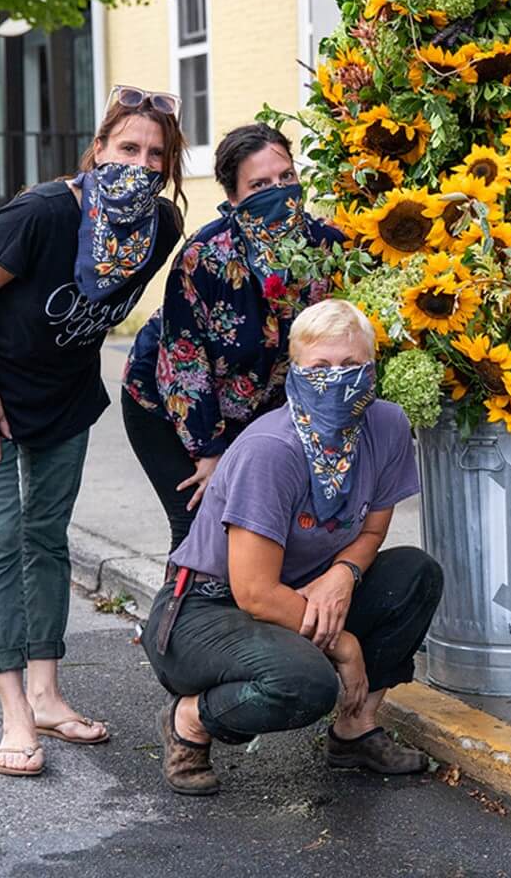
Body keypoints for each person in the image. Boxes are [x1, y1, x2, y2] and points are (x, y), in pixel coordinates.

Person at [0, 85, 186, 777]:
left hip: (61, 395)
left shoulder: (160, 227)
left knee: (46, 535)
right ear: (97, 149)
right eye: (127, 147)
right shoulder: (41, 213)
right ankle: (13, 711)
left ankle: (45, 693)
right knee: (2, 534)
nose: (141, 161)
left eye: (155, 153)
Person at [144, 299, 442, 795]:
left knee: (415, 574)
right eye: (320, 367)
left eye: (351, 366)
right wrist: (343, 645)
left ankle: (355, 729)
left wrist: (342, 574)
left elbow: (371, 531)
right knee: (307, 685)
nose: (337, 379)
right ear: (295, 372)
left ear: (372, 369)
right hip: (206, 609)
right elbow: (255, 593)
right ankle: (189, 722)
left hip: (301, 589)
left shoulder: (387, 427)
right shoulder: (272, 451)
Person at [122, 122, 347, 553]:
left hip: (260, 414)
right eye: (260, 184)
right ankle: (176, 622)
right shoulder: (205, 256)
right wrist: (209, 451)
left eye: (286, 178)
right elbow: (183, 362)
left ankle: (252, 619)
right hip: (170, 406)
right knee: (199, 528)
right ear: (234, 199)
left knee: (267, 529)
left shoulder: (326, 249)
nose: (279, 192)